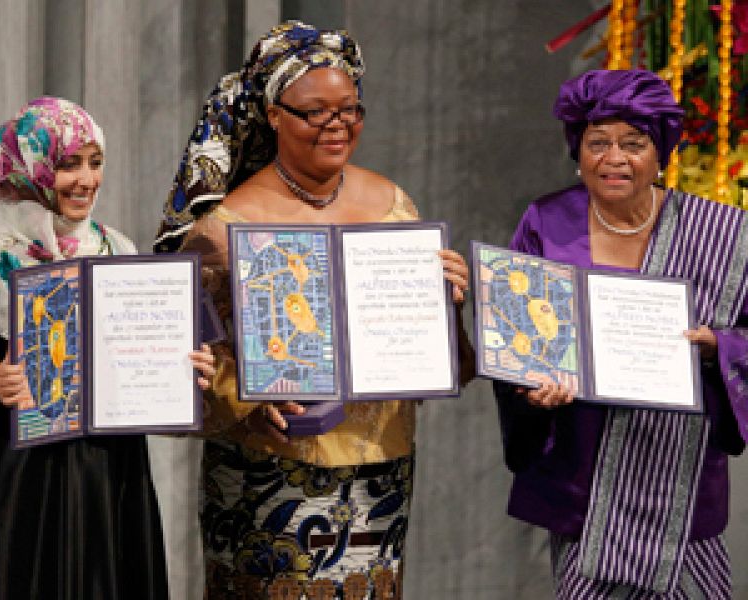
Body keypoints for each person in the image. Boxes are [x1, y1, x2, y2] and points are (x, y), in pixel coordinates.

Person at [155, 21, 473, 599]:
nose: (337, 126)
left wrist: (451, 306)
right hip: (268, 478)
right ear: (274, 114)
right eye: (315, 112)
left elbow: (452, 365)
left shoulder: (396, 206)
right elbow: (184, 370)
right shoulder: (227, 228)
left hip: (381, 477)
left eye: (350, 110)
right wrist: (249, 393)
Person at [494, 69, 748, 599]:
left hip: (679, 478)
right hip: (583, 483)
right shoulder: (545, 220)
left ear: (661, 154)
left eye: (633, 144)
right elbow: (516, 340)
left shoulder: (722, 233)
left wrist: (717, 349)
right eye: (598, 142)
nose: (614, 158)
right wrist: (533, 387)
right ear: (577, 149)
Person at [0, 97, 214, 599]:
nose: (87, 179)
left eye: (95, 162)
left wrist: (183, 368)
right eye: (69, 164)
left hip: (105, 477)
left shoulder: (117, 250)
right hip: (16, 486)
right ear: (30, 170)